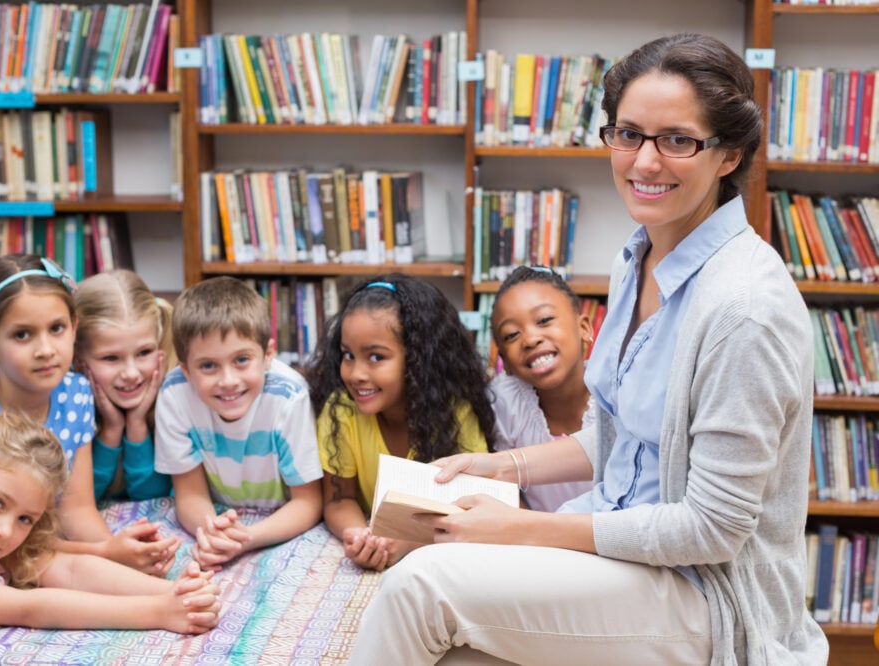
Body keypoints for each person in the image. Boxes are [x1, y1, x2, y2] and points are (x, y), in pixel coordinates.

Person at [347, 33, 829, 665]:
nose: (644, 161)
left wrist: (521, 529)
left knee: (422, 584)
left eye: (677, 140)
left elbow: (712, 530)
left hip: (705, 594)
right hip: (618, 544)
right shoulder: (639, 258)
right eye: (628, 134)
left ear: (729, 154)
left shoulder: (744, 310)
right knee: (455, 652)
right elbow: (621, 434)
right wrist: (503, 468)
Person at [0, 413, 220, 665]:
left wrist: (172, 593)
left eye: (25, 518)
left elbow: (71, 569)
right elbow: (27, 607)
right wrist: (158, 613)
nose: (5, 531)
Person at [0, 254, 179, 576]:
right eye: (22, 334)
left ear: (73, 328)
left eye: (56, 329)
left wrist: (120, 556)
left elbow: (76, 510)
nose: (46, 350)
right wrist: (103, 553)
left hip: (50, 552)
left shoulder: (77, 393)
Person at [306, 274, 497, 571]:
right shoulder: (341, 411)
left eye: (376, 357)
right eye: (348, 355)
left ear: (418, 359)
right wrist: (360, 536)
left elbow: (474, 507)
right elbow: (338, 499)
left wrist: (407, 543)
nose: (355, 373)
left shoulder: (455, 414)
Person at [154, 276, 323, 569]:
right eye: (208, 366)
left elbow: (308, 503)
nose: (228, 381)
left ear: (268, 355)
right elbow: (190, 493)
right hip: (219, 514)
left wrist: (246, 538)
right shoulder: (174, 394)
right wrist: (211, 533)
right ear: (185, 370)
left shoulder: (289, 397)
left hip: (277, 517)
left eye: (242, 360)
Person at [489, 265, 595, 512]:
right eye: (512, 335)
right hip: (538, 545)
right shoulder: (505, 405)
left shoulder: (619, 394)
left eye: (544, 320)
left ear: (584, 328)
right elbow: (508, 497)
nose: (530, 339)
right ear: (505, 360)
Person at [74, 269, 174, 502]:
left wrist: (137, 424)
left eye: (144, 352)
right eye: (110, 358)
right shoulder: (68, 403)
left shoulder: (174, 395)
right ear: (77, 360)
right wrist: (111, 430)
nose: (131, 373)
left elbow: (154, 498)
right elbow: (80, 502)